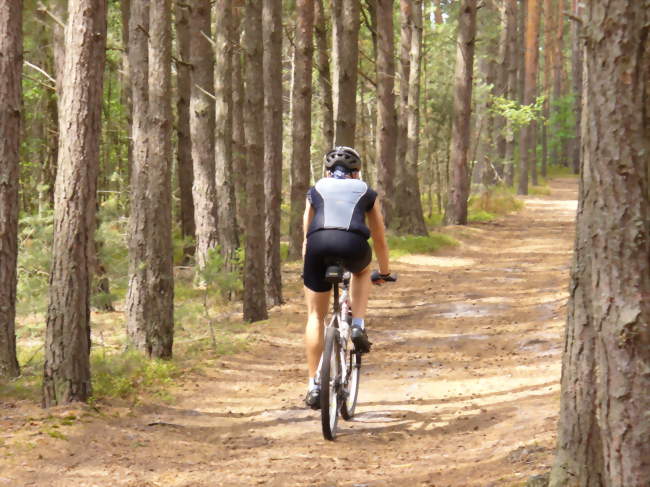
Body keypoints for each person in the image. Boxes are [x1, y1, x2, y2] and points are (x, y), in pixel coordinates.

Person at [302, 146, 393, 409]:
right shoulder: (366, 191)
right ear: (357, 172)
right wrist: (384, 273)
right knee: (362, 270)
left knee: (314, 317)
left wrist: (307, 267)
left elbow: (306, 234)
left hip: (318, 248)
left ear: (326, 171)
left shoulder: (315, 189)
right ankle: (358, 325)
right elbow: (379, 238)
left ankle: (314, 384)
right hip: (353, 245)